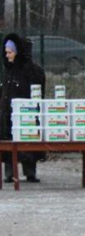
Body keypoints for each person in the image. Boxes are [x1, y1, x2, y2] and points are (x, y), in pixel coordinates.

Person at [1, 33, 46, 183]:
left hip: (25, 112)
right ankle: (10, 172)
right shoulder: (8, 71)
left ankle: (29, 171)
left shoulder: (30, 71)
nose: (7, 56)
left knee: (27, 140)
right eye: (6, 52)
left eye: (10, 52)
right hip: (8, 113)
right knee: (8, 140)